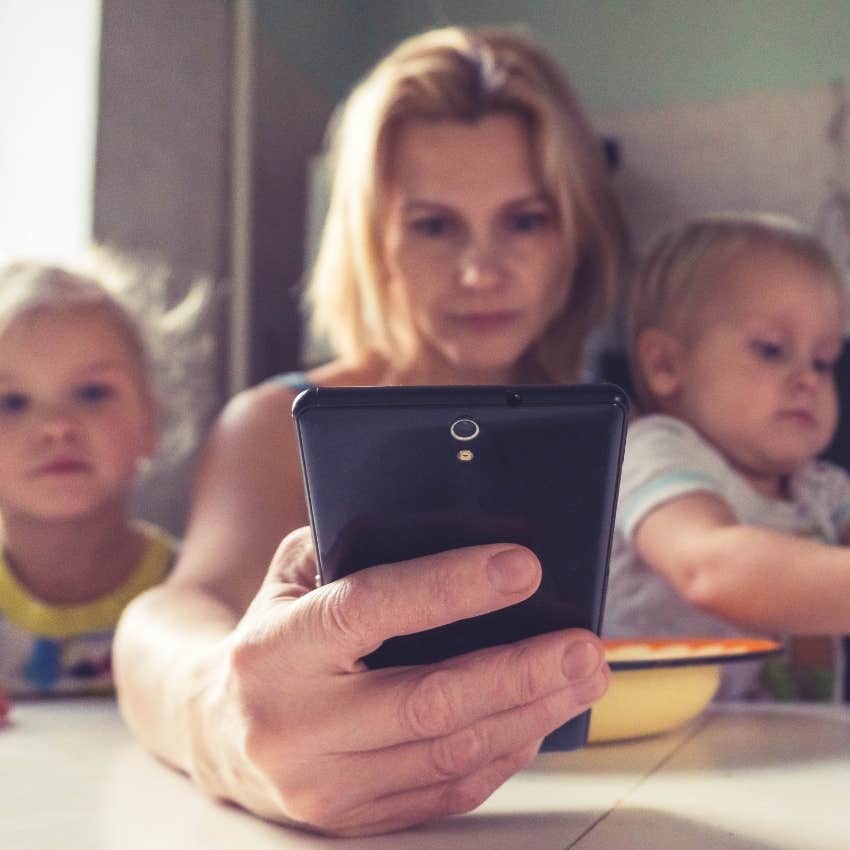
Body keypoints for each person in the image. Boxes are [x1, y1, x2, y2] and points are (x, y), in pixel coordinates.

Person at [113, 26, 625, 837]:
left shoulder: (628, 435)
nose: (480, 269)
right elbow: (167, 619)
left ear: (576, 234)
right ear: (372, 238)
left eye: (524, 220)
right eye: (434, 225)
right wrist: (221, 718)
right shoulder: (274, 424)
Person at [604, 212, 850, 700]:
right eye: (771, 349)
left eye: (823, 361)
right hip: (655, 748)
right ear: (666, 365)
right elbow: (710, 569)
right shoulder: (653, 452)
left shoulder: (821, 488)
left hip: (791, 749)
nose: (808, 379)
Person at [0, 254, 210, 706]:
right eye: (11, 402)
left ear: (149, 420)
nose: (56, 426)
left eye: (92, 393)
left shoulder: (198, 592)